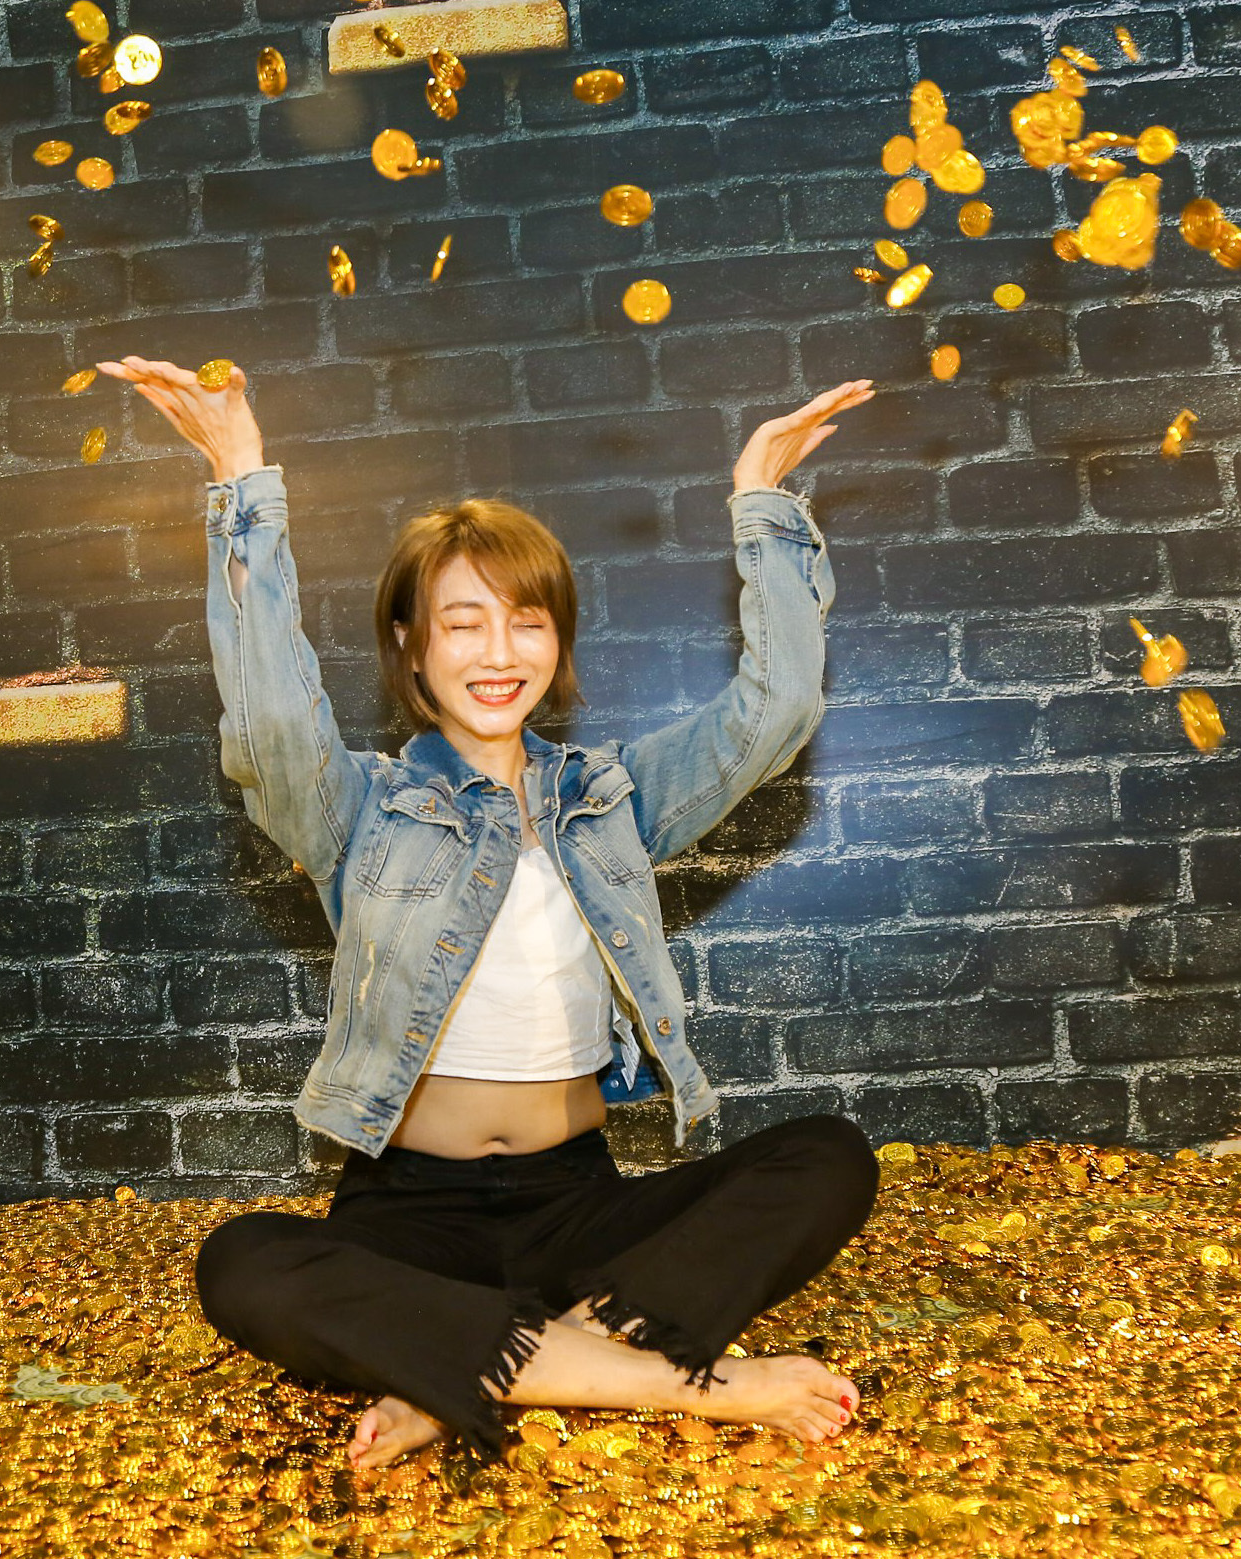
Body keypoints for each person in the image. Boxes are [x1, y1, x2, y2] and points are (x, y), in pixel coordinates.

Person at [98, 353, 882, 1477]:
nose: (499, 652)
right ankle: (673, 1378)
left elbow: (775, 713)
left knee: (829, 1156)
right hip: (406, 1215)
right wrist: (241, 479)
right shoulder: (359, 810)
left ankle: (467, 1366)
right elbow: (271, 722)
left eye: (526, 621)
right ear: (411, 646)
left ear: (557, 642)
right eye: (462, 623)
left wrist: (759, 500)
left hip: (579, 1206)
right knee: (242, 1261)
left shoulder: (611, 798)